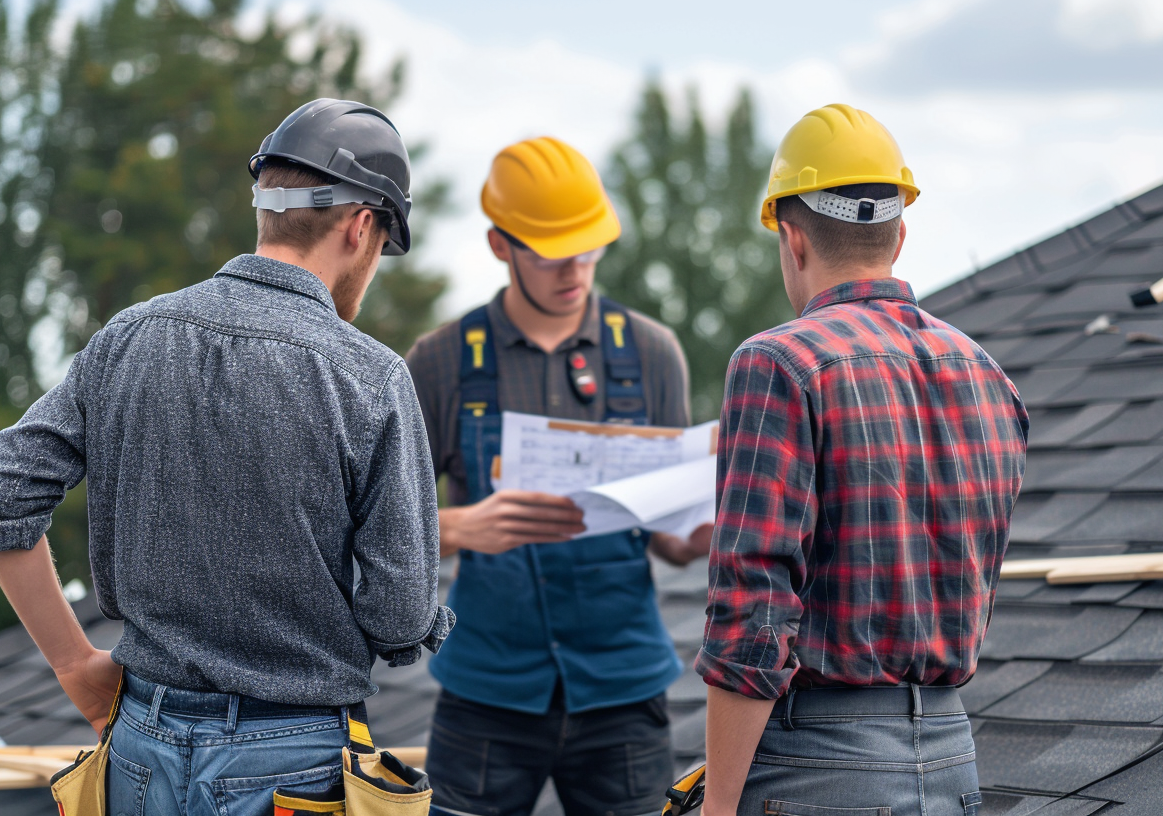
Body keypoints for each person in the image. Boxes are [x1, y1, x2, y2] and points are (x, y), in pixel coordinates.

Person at [0, 98, 452, 816]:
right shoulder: (369, 377)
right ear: (361, 225)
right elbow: (399, 615)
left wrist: (72, 665)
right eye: (378, 250)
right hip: (291, 765)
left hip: (138, 746)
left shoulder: (130, 337)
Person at [695, 104, 1029, 816]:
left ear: (790, 237)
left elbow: (753, 619)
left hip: (819, 769)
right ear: (899, 235)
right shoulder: (987, 373)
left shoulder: (779, 363)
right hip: (950, 756)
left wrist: (718, 808)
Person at [405, 136, 711, 816]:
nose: (575, 267)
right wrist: (460, 525)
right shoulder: (441, 362)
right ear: (498, 245)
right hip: (486, 698)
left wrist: (698, 533)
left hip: (624, 698)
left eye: (590, 245)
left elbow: (667, 537)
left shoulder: (654, 355)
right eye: (550, 250)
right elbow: (378, 529)